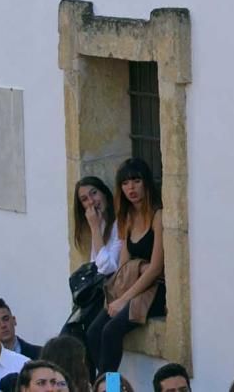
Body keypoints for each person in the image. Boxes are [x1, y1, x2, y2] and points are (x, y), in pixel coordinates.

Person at [85, 159, 164, 374]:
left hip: (154, 289)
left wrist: (123, 299)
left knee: (111, 331)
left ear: (146, 183)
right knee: (93, 331)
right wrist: (117, 296)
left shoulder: (158, 216)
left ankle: (109, 389)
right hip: (131, 285)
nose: (131, 188)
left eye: (136, 181)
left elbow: (156, 268)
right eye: (125, 183)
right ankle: (101, 384)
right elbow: (124, 266)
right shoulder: (127, 217)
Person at [72, 180, 119, 278]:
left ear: (104, 193)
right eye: (84, 199)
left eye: (94, 193)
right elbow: (94, 264)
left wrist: (94, 228)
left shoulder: (119, 224)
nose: (91, 201)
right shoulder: (100, 223)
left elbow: (107, 268)